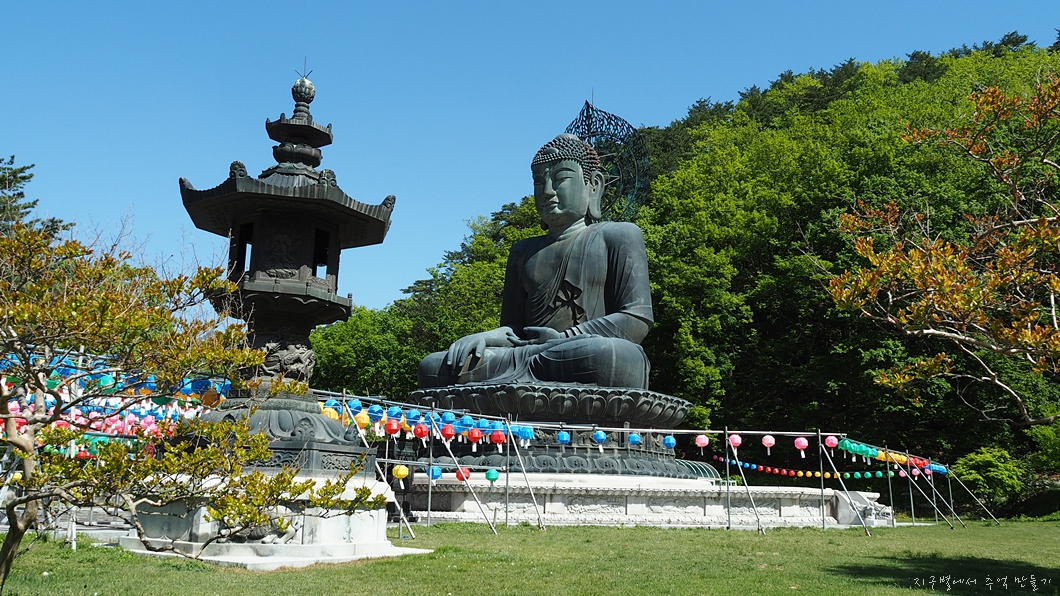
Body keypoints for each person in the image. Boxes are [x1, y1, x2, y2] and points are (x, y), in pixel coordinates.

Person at [418, 134, 653, 389]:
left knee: (612, 356)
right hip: (525, 355)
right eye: (539, 182)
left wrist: (563, 339)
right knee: (434, 365)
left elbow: (637, 319)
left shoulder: (619, 235)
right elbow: (515, 329)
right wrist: (485, 338)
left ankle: (517, 389)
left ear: (593, 186)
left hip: (579, 352)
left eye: (560, 179)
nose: (548, 191)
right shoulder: (523, 250)